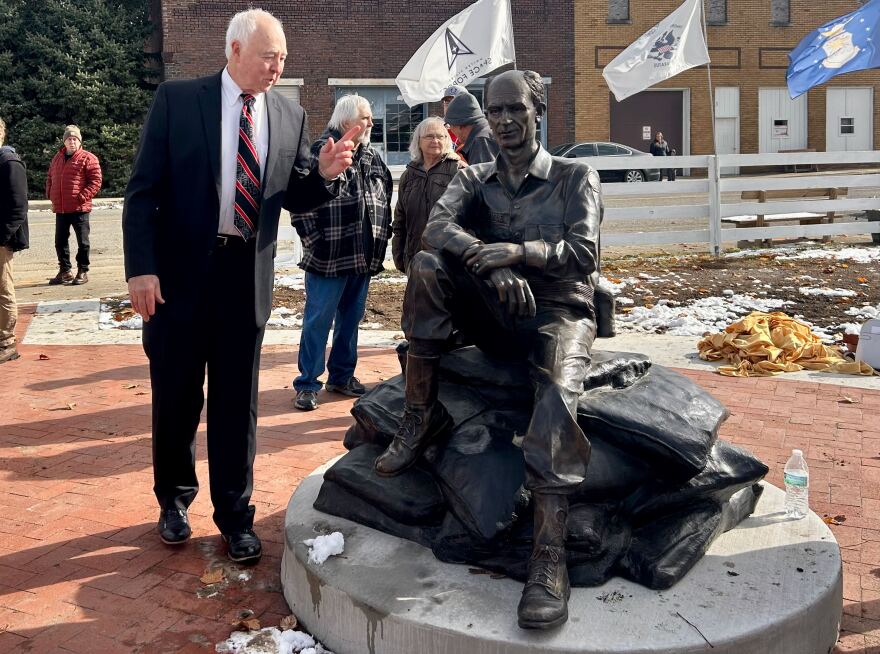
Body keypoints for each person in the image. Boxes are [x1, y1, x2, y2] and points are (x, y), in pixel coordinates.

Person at [122, 8, 359, 564]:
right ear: (234, 51)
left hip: (243, 282)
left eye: (282, 58)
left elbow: (292, 194)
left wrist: (323, 177)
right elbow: (142, 194)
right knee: (177, 398)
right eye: (268, 56)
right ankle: (174, 501)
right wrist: (141, 268)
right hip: (177, 281)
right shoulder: (179, 102)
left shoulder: (289, 114)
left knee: (237, 405)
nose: (277, 67)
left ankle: (235, 516)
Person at [373, 70, 603, 631]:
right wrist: (488, 259)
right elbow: (434, 231)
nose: (503, 121)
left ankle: (548, 557)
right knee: (428, 267)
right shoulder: (474, 176)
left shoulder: (575, 176)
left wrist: (518, 253)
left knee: (553, 393)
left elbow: (584, 253)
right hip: (495, 311)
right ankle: (421, 415)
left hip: (558, 311)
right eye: (494, 112)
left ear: (537, 111)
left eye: (514, 110)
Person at [290, 95, 392, 412]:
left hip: (362, 256)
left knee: (351, 320)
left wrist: (382, 233)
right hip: (328, 256)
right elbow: (300, 204)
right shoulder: (322, 151)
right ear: (347, 121)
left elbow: (384, 196)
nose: (372, 124)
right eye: (366, 118)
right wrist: (314, 241)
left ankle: (342, 377)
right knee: (318, 321)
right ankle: (307, 384)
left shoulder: (372, 157)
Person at [392, 116, 464, 273]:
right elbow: (400, 220)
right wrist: (399, 256)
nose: (435, 140)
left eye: (441, 136)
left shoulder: (458, 171)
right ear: (418, 141)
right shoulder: (409, 175)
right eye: (429, 136)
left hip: (449, 261)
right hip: (414, 258)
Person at [45, 125, 102, 285]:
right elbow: (50, 177)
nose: (72, 142)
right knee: (60, 242)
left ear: (79, 141)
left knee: (83, 242)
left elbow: (96, 181)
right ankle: (65, 271)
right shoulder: (56, 158)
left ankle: (83, 271)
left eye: (75, 139)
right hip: (61, 208)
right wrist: (50, 193)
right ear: (64, 141)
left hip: (79, 208)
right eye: (69, 139)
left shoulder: (88, 158)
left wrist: (82, 196)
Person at [0, 116, 29, 365]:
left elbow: (18, 207)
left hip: (1, 240)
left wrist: (2, 237)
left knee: (3, 290)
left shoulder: (9, 162)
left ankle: (7, 343)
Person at [445, 91, 499, 165]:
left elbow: (484, 175)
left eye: (450, 125)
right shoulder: (488, 133)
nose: (450, 129)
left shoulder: (480, 142)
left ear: (459, 125)